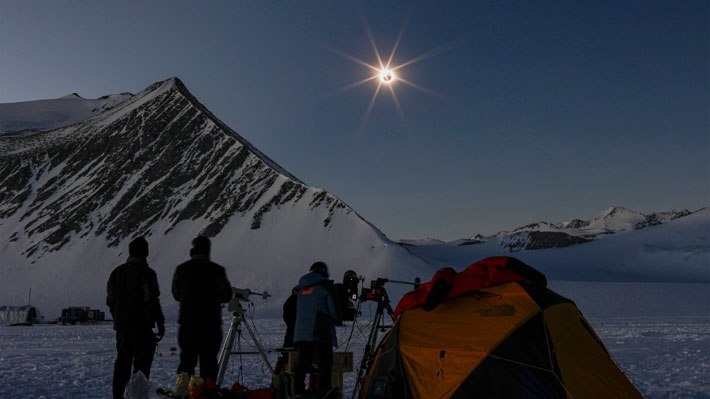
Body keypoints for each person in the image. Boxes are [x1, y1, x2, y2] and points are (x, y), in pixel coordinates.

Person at [172, 235, 232, 394]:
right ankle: (208, 393)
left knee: (186, 362)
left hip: (187, 324)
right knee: (209, 363)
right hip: (210, 325)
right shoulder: (217, 270)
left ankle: (181, 391)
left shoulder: (182, 269)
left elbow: (176, 294)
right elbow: (226, 295)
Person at [106, 236, 165, 399]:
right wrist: (160, 323)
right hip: (142, 328)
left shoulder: (116, 273)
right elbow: (152, 300)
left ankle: (118, 396)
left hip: (122, 328)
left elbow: (110, 300)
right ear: (144, 253)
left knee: (122, 365)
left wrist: (119, 318)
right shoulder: (147, 273)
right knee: (141, 369)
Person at [293, 261, 343, 398]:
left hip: (300, 333)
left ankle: (296, 390)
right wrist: (339, 318)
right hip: (319, 331)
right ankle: (324, 392)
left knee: (302, 362)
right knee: (324, 364)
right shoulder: (326, 286)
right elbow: (334, 309)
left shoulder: (302, 288)